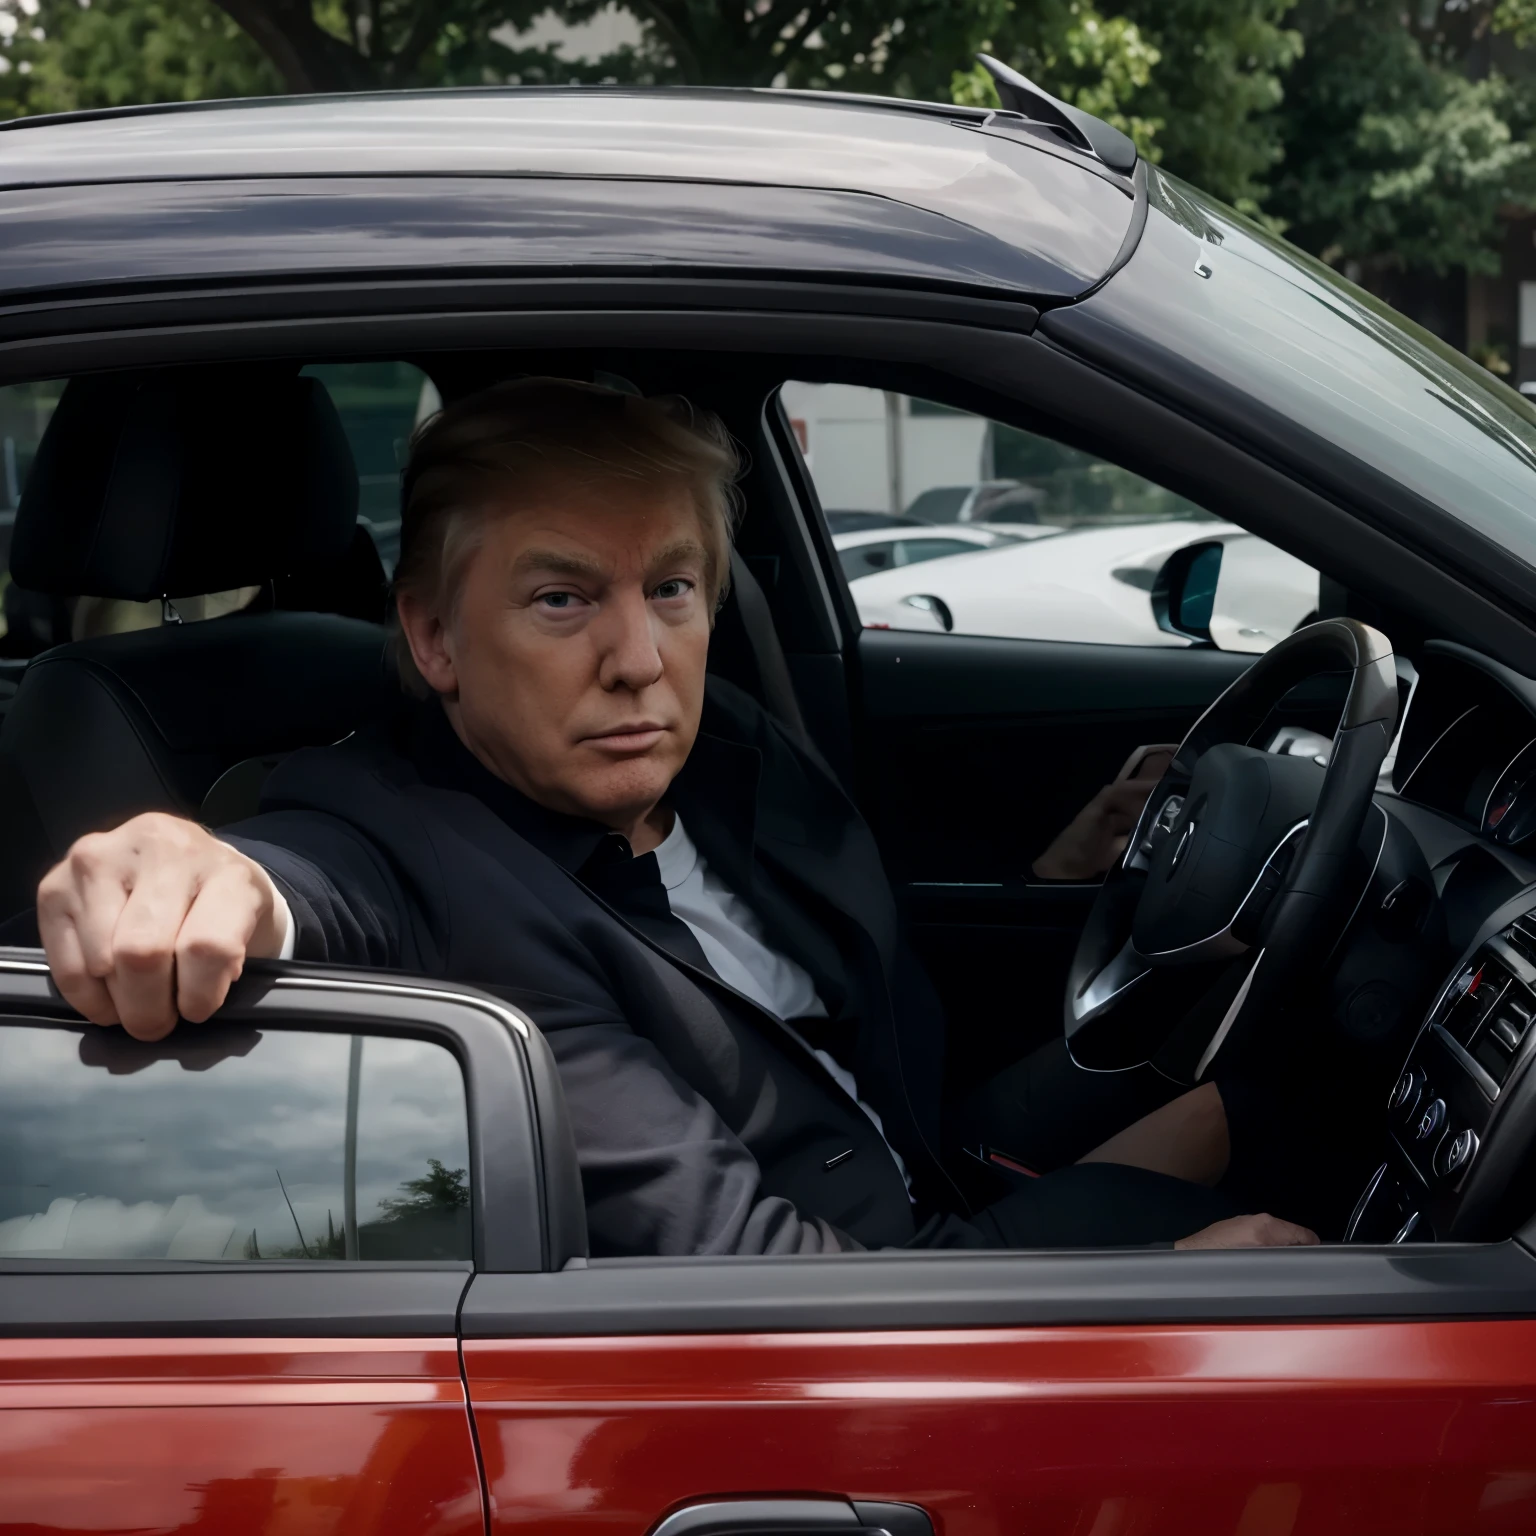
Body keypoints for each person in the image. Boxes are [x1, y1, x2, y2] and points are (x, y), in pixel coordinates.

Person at [34, 378, 1315, 1256]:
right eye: (561, 599)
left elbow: (871, 998)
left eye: (672, 586)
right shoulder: (399, 840)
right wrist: (183, 867)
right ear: (432, 635)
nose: (641, 657)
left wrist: (1058, 872)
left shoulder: (719, 755)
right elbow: (301, 881)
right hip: (884, 1292)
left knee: (1284, 1082)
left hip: (928, 1155)